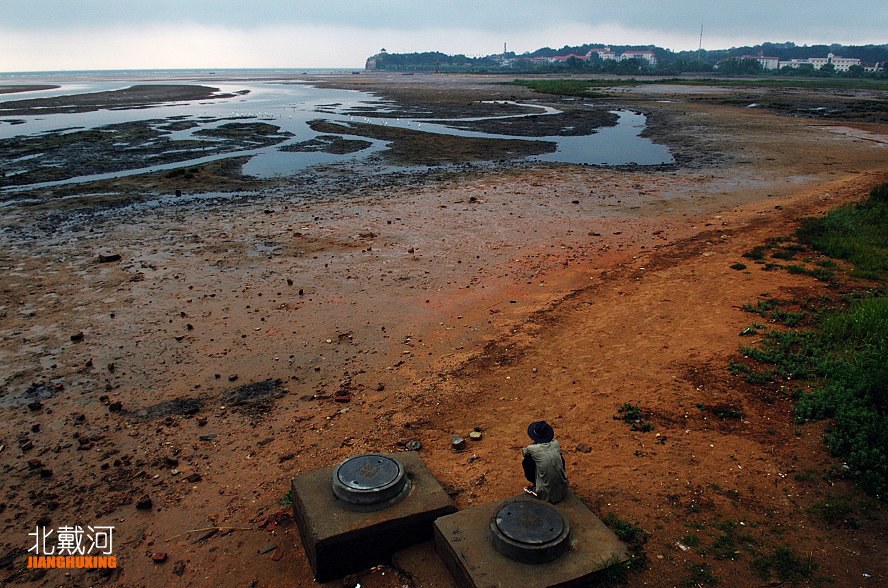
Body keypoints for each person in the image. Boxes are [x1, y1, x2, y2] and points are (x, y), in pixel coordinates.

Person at [521, 420, 568, 504]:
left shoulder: (531, 449)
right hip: (563, 490)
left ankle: (537, 488)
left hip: (546, 494)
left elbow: (524, 453)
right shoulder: (556, 444)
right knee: (557, 458)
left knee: (528, 461)